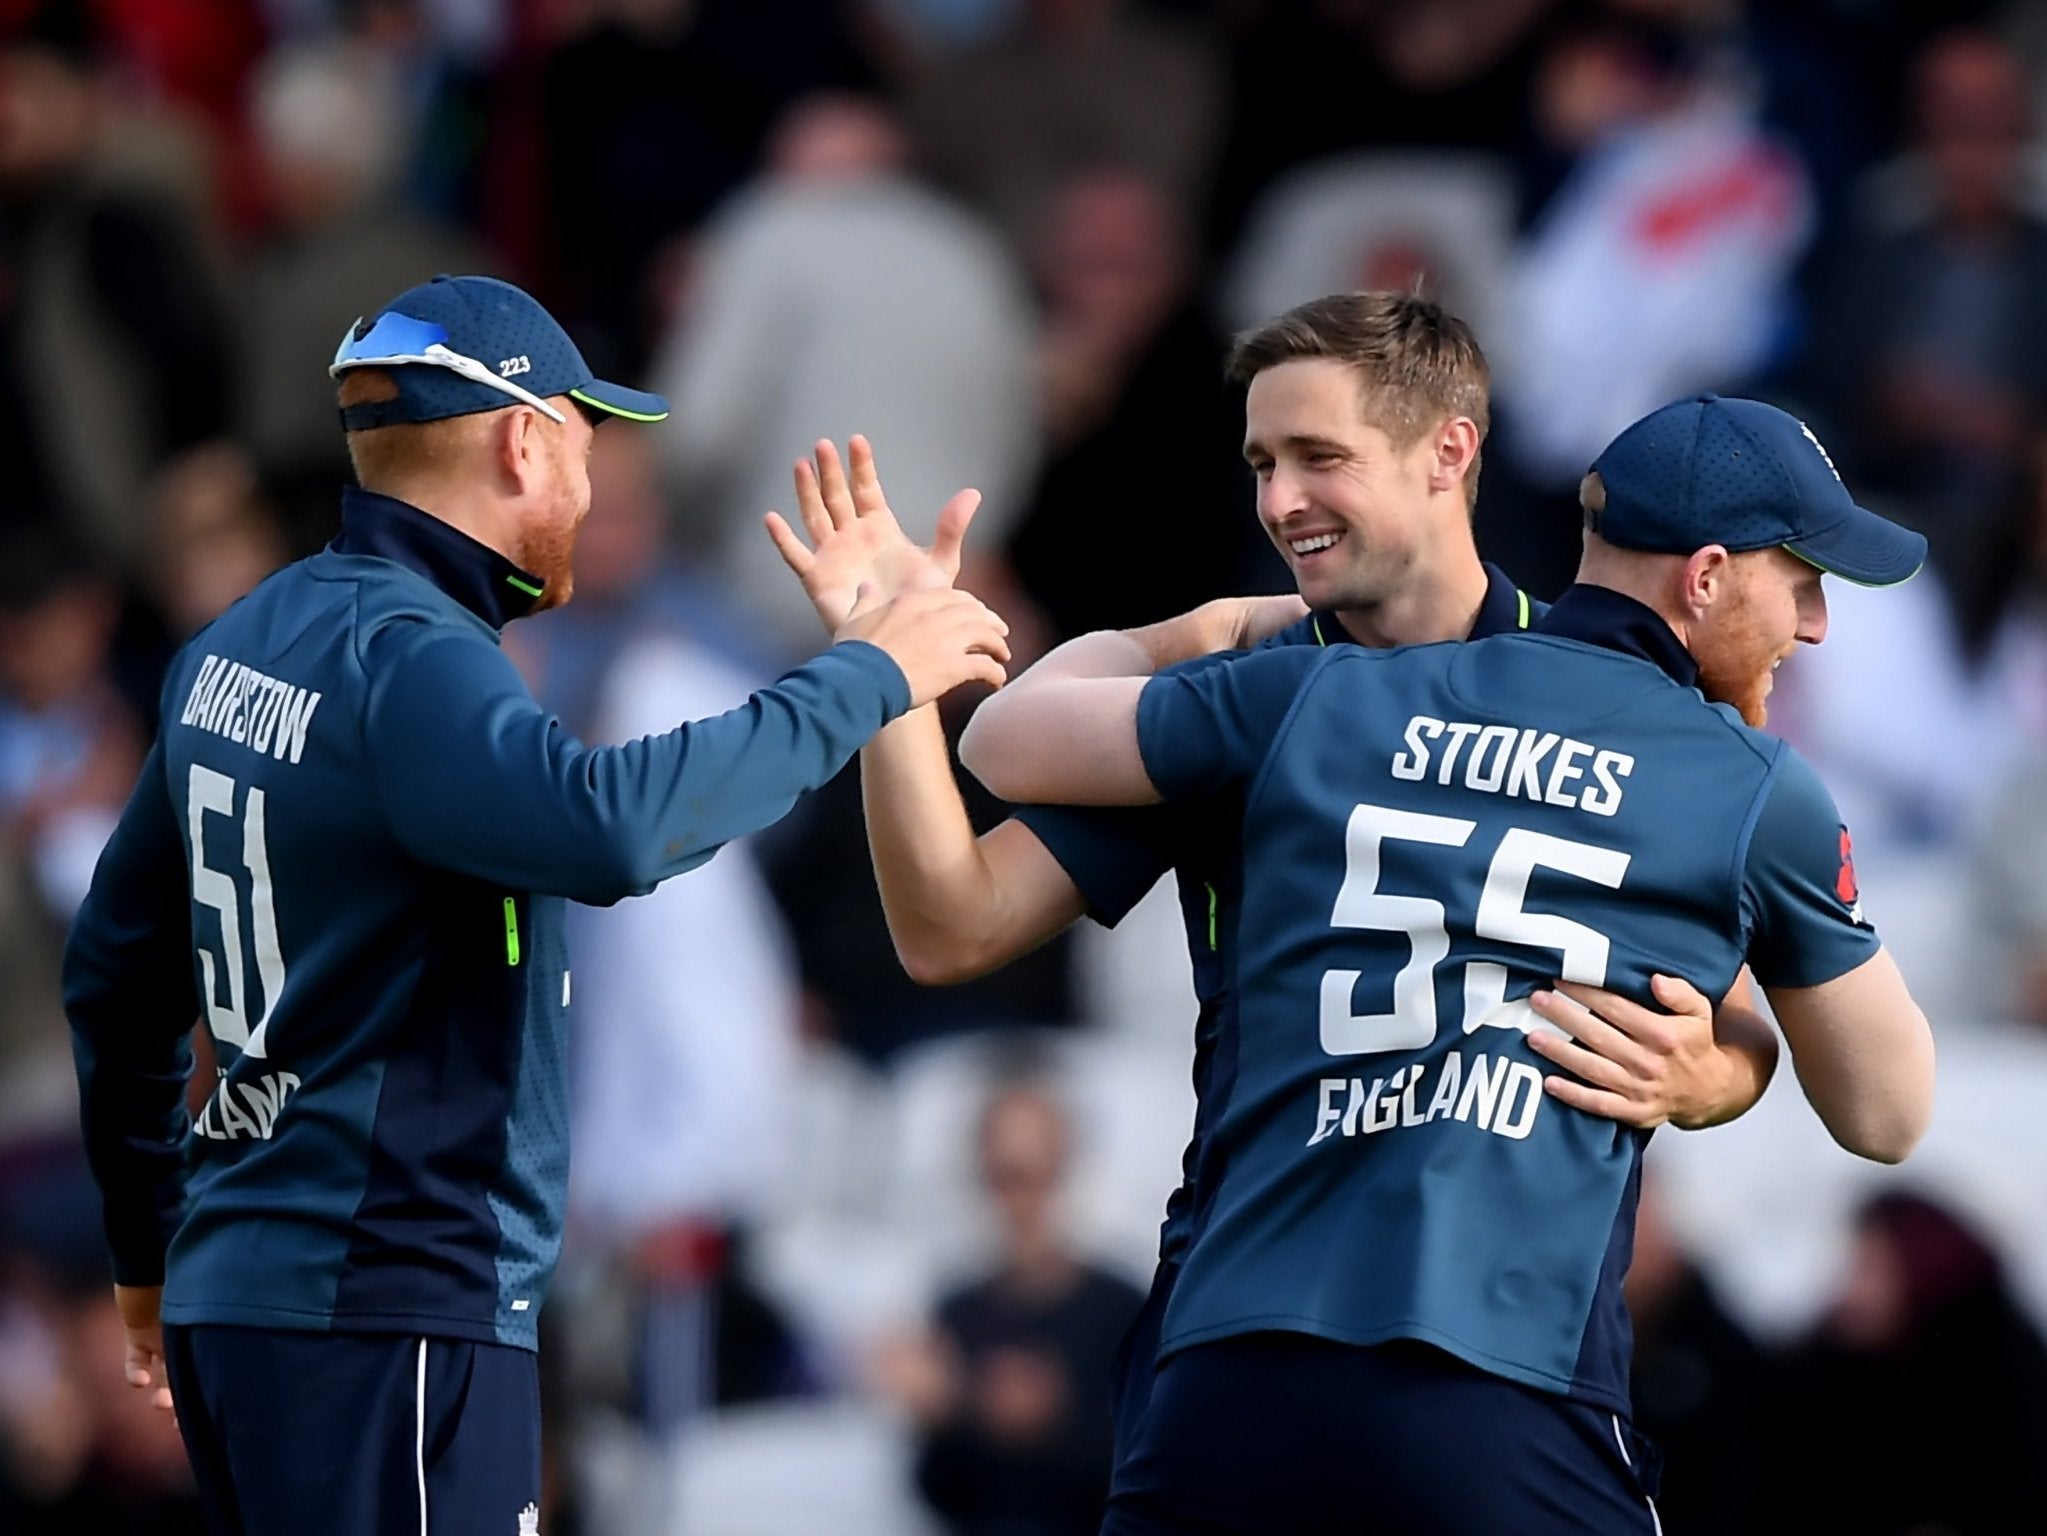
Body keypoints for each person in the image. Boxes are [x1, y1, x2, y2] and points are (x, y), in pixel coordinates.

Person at [61, 273, 1011, 1536]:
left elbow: (116, 979)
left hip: (250, 1295)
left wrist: (146, 1249)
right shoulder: (412, 656)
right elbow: (606, 827)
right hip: (389, 1297)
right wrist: (867, 678)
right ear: (523, 439)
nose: (588, 484)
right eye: (585, 442)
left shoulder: (242, 639)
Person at [764, 293, 1784, 1462]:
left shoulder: (1595, 690)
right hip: (1240, 1350)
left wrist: (1711, 1071)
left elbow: (1735, 1027)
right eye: (1260, 463)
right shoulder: (1236, 694)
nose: (1278, 501)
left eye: (1318, 457)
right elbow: (952, 926)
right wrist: (889, 680)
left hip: (1508, 1384)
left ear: (1449, 452)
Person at [960, 391, 1938, 1533]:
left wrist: (1191, 633)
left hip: (1219, 1395)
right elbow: (1886, 1113)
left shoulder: (1325, 690)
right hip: (1499, 1398)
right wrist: (1724, 1065)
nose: (1815, 624)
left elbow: (1001, 738)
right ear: (1706, 576)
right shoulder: (1748, 787)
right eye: (1803, 581)